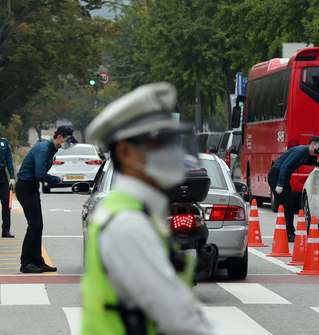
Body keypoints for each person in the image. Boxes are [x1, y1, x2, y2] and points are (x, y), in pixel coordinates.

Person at [81, 82, 219, 335]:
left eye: (173, 140)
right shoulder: (128, 222)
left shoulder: (133, 210)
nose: (173, 152)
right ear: (125, 152)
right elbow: (180, 319)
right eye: (160, 142)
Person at [17, 125, 77, 273]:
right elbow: (40, 174)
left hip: (31, 187)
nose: (68, 143)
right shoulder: (44, 149)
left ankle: (37, 260)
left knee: (38, 225)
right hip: (25, 187)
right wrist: (57, 180)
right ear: (59, 137)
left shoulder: (51, 149)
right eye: (67, 140)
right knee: (34, 225)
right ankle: (26, 262)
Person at [268, 135, 319, 242]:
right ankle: (285, 232)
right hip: (277, 176)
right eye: (318, 146)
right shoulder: (300, 151)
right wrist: (279, 184)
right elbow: (284, 166)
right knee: (283, 205)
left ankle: (290, 231)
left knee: (290, 205)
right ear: (312, 144)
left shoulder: (305, 154)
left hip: (283, 178)